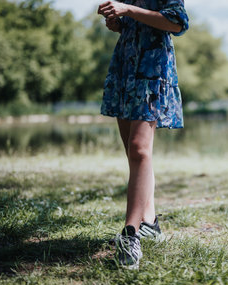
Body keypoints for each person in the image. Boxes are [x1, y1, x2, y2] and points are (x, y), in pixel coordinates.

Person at [97, 0, 189, 269]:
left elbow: (176, 22)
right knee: (134, 152)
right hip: (126, 64)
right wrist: (117, 23)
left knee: (139, 149)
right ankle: (149, 221)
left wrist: (128, 10)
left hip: (151, 68)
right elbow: (135, 22)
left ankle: (130, 234)